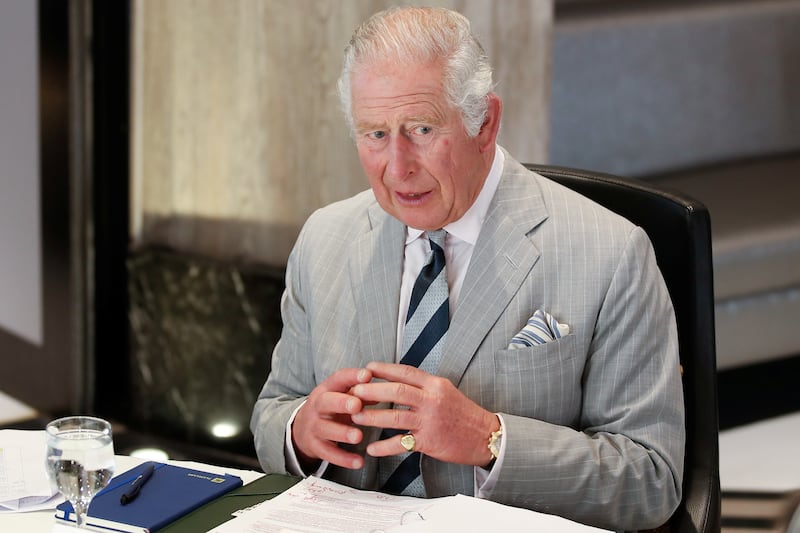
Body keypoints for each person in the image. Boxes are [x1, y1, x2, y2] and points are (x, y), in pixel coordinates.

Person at [251, 6, 684, 531]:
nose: (397, 167)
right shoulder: (324, 238)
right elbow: (274, 409)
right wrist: (301, 430)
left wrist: (489, 439)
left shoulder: (612, 252)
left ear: (485, 123)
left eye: (423, 128)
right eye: (375, 134)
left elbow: (650, 481)